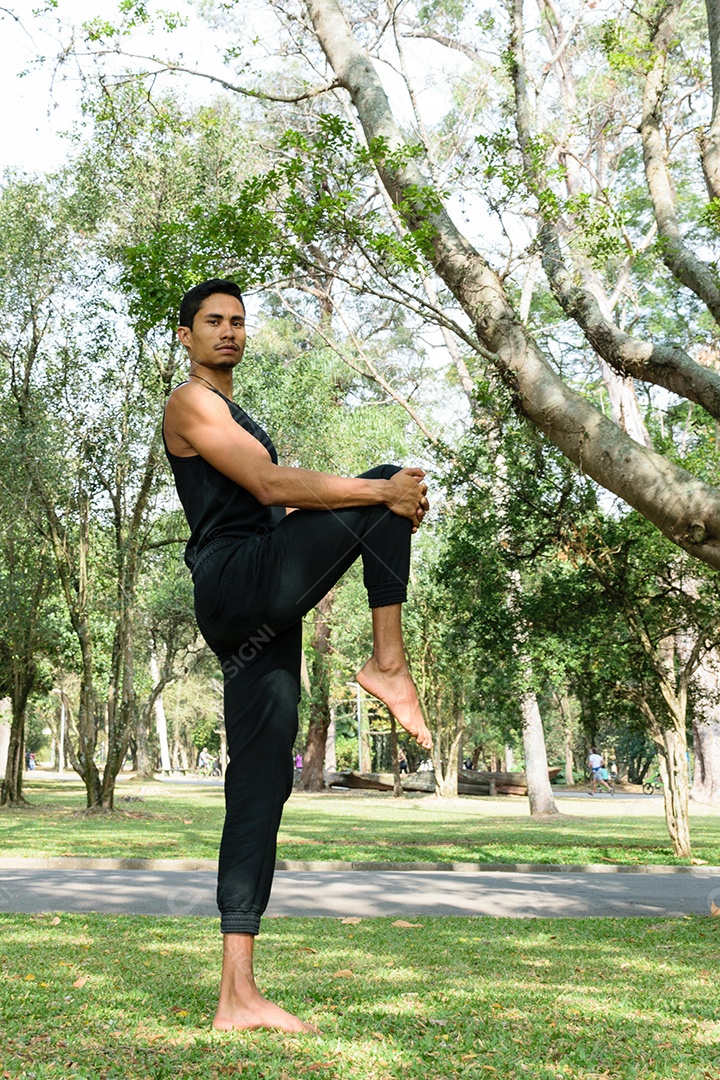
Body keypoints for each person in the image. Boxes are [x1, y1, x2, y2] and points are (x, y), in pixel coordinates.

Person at [163, 279, 433, 1034]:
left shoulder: (238, 413)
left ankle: (237, 997)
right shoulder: (191, 403)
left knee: (258, 786)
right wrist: (382, 498)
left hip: (259, 607)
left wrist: (384, 516)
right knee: (382, 483)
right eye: (213, 322)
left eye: (239, 323)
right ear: (185, 336)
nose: (229, 332)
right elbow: (269, 484)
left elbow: (287, 507)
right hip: (234, 579)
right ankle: (387, 665)